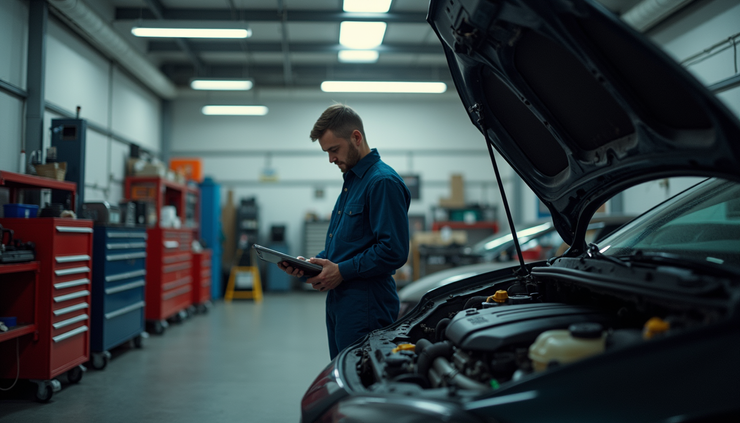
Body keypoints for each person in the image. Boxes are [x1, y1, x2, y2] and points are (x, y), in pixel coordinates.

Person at [279, 103, 411, 359]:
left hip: (367, 305)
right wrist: (311, 264)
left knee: (363, 385)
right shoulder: (353, 182)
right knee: (344, 377)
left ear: (356, 137)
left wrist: (341, 271)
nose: (331, 159)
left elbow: (393, 250)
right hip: (342, 302)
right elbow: (346, 245)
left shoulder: (382, 182)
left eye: (334, 150)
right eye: (326, 152)